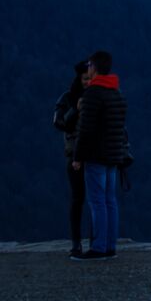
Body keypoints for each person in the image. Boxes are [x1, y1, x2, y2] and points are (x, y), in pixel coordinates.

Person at [72, 50, 127, 261]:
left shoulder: (93, 94)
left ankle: (99, 247)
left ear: (94, 67)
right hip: (114, 154)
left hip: (96, 154)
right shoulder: (117, 92)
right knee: (110, 200)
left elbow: (85, 129)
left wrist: (78, 156)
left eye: (89, 66)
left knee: (96, 201)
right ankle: (110, 246)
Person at [53, 60, 93, 257]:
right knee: (78, 199)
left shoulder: (97, 96)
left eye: (90, 78)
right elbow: (59, 123)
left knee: (95, 200)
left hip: (94, 154)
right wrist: (75, 109)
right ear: (79, 78)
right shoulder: (68, 97)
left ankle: (95, 241)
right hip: (74, 154)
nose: (88, 82)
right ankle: (76, 242)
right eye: (85, 79)